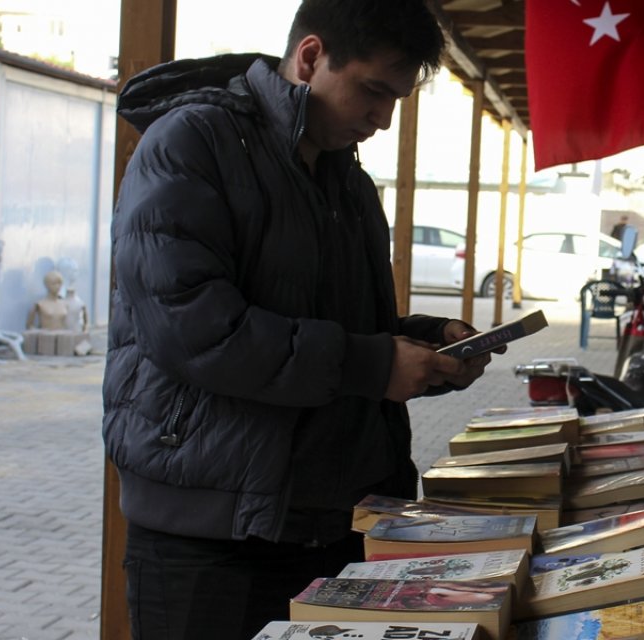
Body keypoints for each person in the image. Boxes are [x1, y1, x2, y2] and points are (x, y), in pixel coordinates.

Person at [103, 2, 496, 637]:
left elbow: (335, 323)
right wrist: (373, 363)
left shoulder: (348, 181)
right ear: (310, 57)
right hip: (211, 533)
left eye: (395, 100)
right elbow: (194, 327)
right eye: (372, 92)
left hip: (333, 521)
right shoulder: (193, 141)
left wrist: (425, 346)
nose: (382, 120)